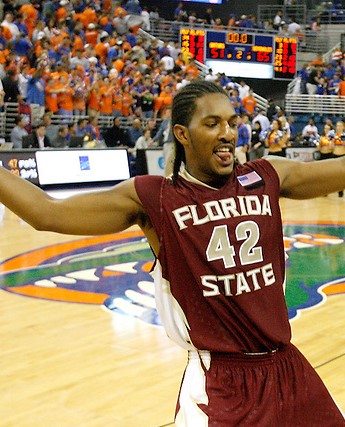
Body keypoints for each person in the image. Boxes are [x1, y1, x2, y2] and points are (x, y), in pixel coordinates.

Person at [0, 80, 344, 426]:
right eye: (212, 124)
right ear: (182, 133)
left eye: (232, 122)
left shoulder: (268, 176)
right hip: (220, 387)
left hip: (288, 369)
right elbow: (45, 212)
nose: (227, 133)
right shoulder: (155, 198)